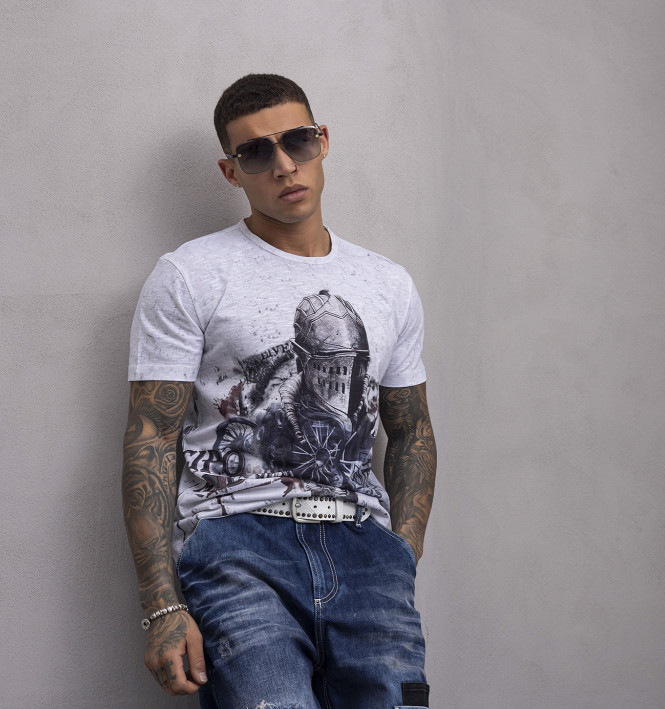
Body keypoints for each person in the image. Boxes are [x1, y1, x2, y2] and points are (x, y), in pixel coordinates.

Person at [121, 73, 436, 709]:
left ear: (323, 141)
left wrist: (400, 553)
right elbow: (152, 433)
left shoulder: (388, 284)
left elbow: (412, 430)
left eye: (298, 141)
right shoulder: (191, 274)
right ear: (231, 171)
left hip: (367, 552)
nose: (284, 165)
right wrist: (161, 605)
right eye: (256, 152)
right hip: (238, 548)